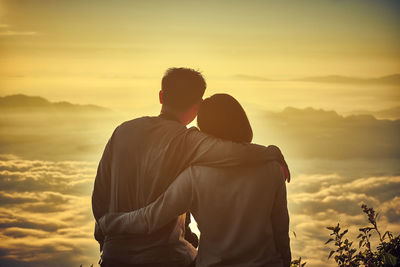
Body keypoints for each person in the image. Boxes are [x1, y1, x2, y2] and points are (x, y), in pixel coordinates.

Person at [92, 68, 290, 267]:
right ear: (198, 107)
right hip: (166, 257)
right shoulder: (188, 140)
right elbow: (235, 151)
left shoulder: (122, 131)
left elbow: (100, 197)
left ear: (161, 96)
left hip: (114, 254)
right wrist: (271, 153)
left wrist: (105, 234)